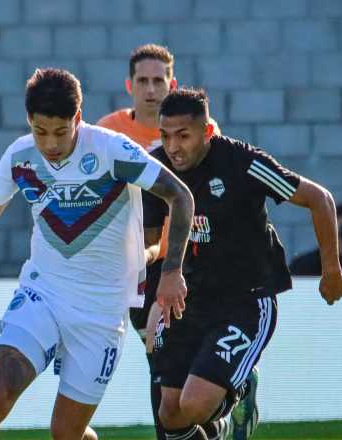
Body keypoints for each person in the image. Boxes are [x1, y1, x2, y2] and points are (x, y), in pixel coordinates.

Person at [0, 68, 195, 440]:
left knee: (66, 433)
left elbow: (180, 196)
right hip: (44, 293)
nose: (51, 144)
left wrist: (172, 273)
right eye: (40, 132)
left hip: (102, 310)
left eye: (60, 132)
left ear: (78, 118)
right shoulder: (21, 157)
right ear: (29, 122)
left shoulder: (112, 151)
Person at [143, 88, 342, 440]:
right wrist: (149, 287)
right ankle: (221, 426)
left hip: (247, 301)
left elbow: (320, 199)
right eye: (165, 136)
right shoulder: (159, 169)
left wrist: (331, 270)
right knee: (170, 414)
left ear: (207, 132)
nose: (173, 147)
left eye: (183, 136)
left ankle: (238, 396)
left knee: (193, 406)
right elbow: (148, 242)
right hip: (192, 297)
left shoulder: (242, 163)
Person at [97, 44, 254, 440]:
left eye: (158, 81)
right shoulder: (108, 131)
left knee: (164, 356)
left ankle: (227, 393)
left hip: (186, 263)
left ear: (173, 83)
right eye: (143, 81)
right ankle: (215, 419)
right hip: (137, 263)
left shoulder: (202, 132)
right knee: (161, 359)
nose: (151, 90)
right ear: (129, 85)